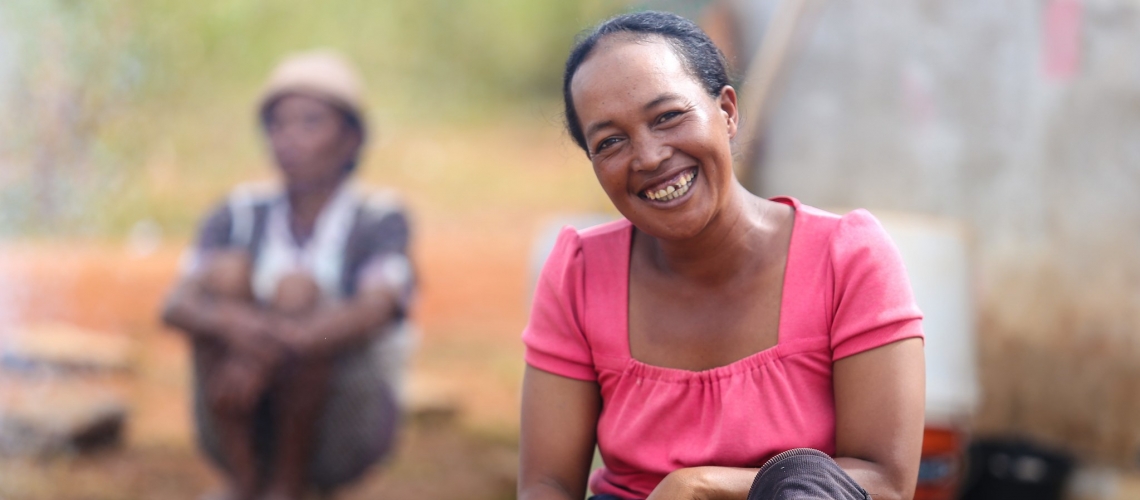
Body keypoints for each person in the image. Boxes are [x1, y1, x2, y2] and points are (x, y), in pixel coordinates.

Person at [518, 11, 925, 500]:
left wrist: (701, 486)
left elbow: (884, 484)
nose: (648, 157)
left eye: (668, 116)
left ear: (728, 112)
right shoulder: (579, 274)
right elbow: (547, 484)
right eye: (610, 142)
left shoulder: (848, 260)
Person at [162, 51, 414, 500]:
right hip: (240, 407)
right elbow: (175, 304)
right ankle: (247, 479)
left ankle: (288, 485)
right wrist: (237, 326)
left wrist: (260, 352)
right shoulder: (238, 211)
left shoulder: (378, 217)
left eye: (310, 122)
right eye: (277, 125)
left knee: (297, 291)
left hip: (342, 422)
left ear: (351, 138)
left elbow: (378, 306)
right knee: (226, 274)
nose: (289, 138)